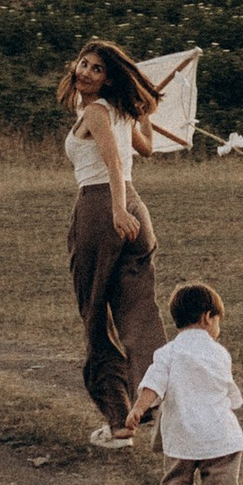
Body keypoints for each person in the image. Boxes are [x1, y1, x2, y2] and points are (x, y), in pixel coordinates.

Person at [56, 39, 164, 448]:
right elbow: (148, 149)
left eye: (96, 69)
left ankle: (120, 421)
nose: (84, 71)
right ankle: (160, 398)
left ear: (109, 79)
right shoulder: (118, 112)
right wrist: (146, 116)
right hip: (138, 209)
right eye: (83, 63)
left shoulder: (99, 112)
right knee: (138, 312)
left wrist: (117, 212)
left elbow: (114, 164)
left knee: (95, 314)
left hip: (102, 208)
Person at [126, 279, 243, 485]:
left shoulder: (167, 353)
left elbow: (153, 384)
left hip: (182, 436)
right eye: (218, 320)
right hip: (221, 435)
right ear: (207, 317)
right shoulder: (220, 353)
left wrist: (139, 409)